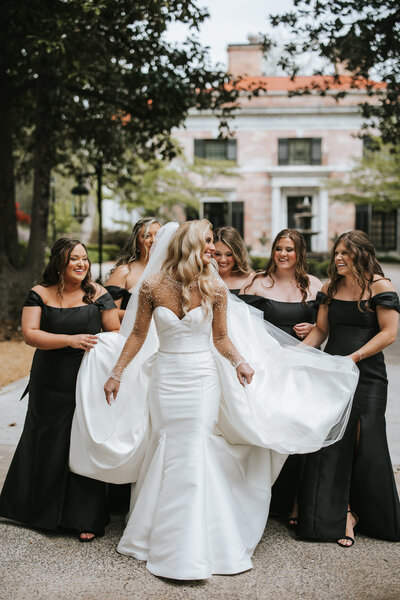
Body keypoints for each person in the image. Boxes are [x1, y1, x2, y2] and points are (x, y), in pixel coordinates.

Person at [69, 220, 358, 579]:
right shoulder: (153, 286)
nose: (212, 247)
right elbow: (139, 335)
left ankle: (192, 541)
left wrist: (240, 363)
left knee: (193, 445)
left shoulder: (213, 287)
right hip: (167, 379)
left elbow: (221, 338)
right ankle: (153, 532)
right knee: (167, 444)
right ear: (189, 243)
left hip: (201, 378)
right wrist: (116, 374)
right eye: (206, 241)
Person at [0, 238, 119, 542]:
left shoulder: (98, 293)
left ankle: (84, 517)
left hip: (86, 377)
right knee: (46, 439)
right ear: (59, 263)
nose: (81, 264)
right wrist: (69, 339)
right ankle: (36, 511)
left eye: (85, 259)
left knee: (81, 440)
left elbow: (113, 333)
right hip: (49, 378)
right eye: (73, 259)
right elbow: (29, 333)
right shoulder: (39, 293)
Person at [297, 230, 400, 547]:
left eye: (345, 253)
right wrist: (294, 357)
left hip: (367, 375)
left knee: (363, 440)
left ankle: (365, 513)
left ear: (362, 253)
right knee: (333, 443)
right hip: (334, 375)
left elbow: (390, 333)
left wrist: (353, 357)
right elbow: (321, 332)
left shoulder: (380, 287)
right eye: (336, 253)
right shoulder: (330, 288)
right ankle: (342, 513)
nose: (338, 258)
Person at [239, 229, 322, 526]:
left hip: (303, 365)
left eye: (290, 249)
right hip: (269, 366)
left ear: (300, 254)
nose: (283, 254)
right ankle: (266, 499)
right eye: (279, 248)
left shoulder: (313, 285)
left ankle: (298, 502)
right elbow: (243, 329)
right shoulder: (258, 283)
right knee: (269, 428)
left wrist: (314, 328)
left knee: (302, 426)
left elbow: (326, 324)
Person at [105, 218, 161, 321]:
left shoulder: (171, 272)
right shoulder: (124, 272)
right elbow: (107, 312)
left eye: (158, 235)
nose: (153, 240)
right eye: (146, 236)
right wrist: (142, 316)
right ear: (137, 243)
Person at [213, 226, 253, 294]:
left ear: (238, 255)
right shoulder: (201, 279)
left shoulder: (250, 280)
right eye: (217, 254)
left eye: (229, 254)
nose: (223, 260)